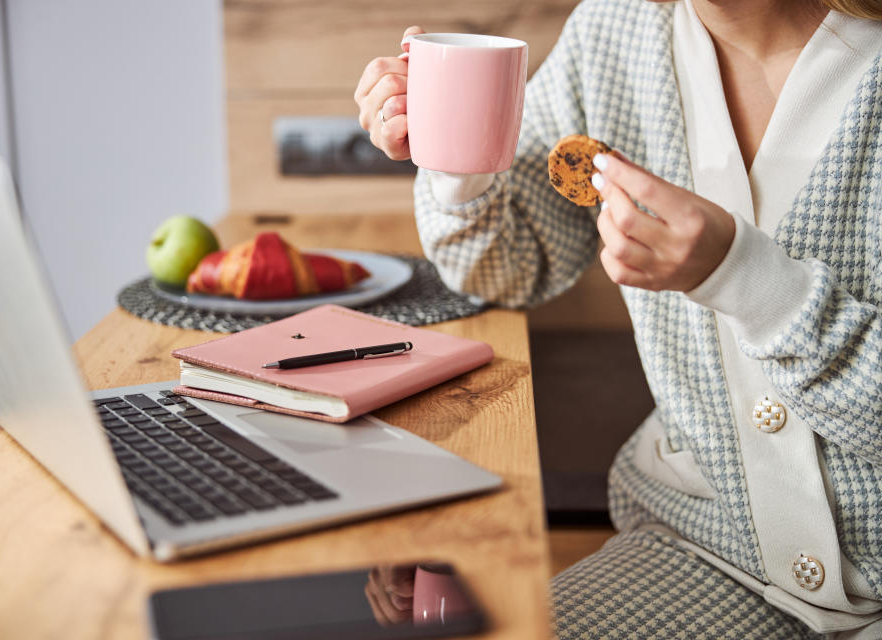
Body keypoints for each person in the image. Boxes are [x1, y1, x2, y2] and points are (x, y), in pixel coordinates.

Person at [354, 0, 882, 637]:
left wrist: (751, 282)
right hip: (708, 551)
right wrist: (453, 149)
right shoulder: (615, 31)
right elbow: (508, 265)